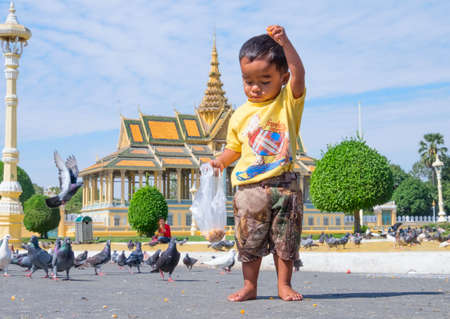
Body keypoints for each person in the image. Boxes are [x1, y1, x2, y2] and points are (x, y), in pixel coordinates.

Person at [210, 25, 305, 302]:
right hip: (249, 189)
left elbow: (299, 73)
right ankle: (250, 286)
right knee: (249, 241)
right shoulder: (239, 115)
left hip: (284, 185)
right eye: (248, 81)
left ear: (282, 78)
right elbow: (233, 149)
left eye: (264, 81)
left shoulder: (288, 103)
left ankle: (283, 285)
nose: (255, 88)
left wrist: (285, 43)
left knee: (285, 241)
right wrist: (218, 162)